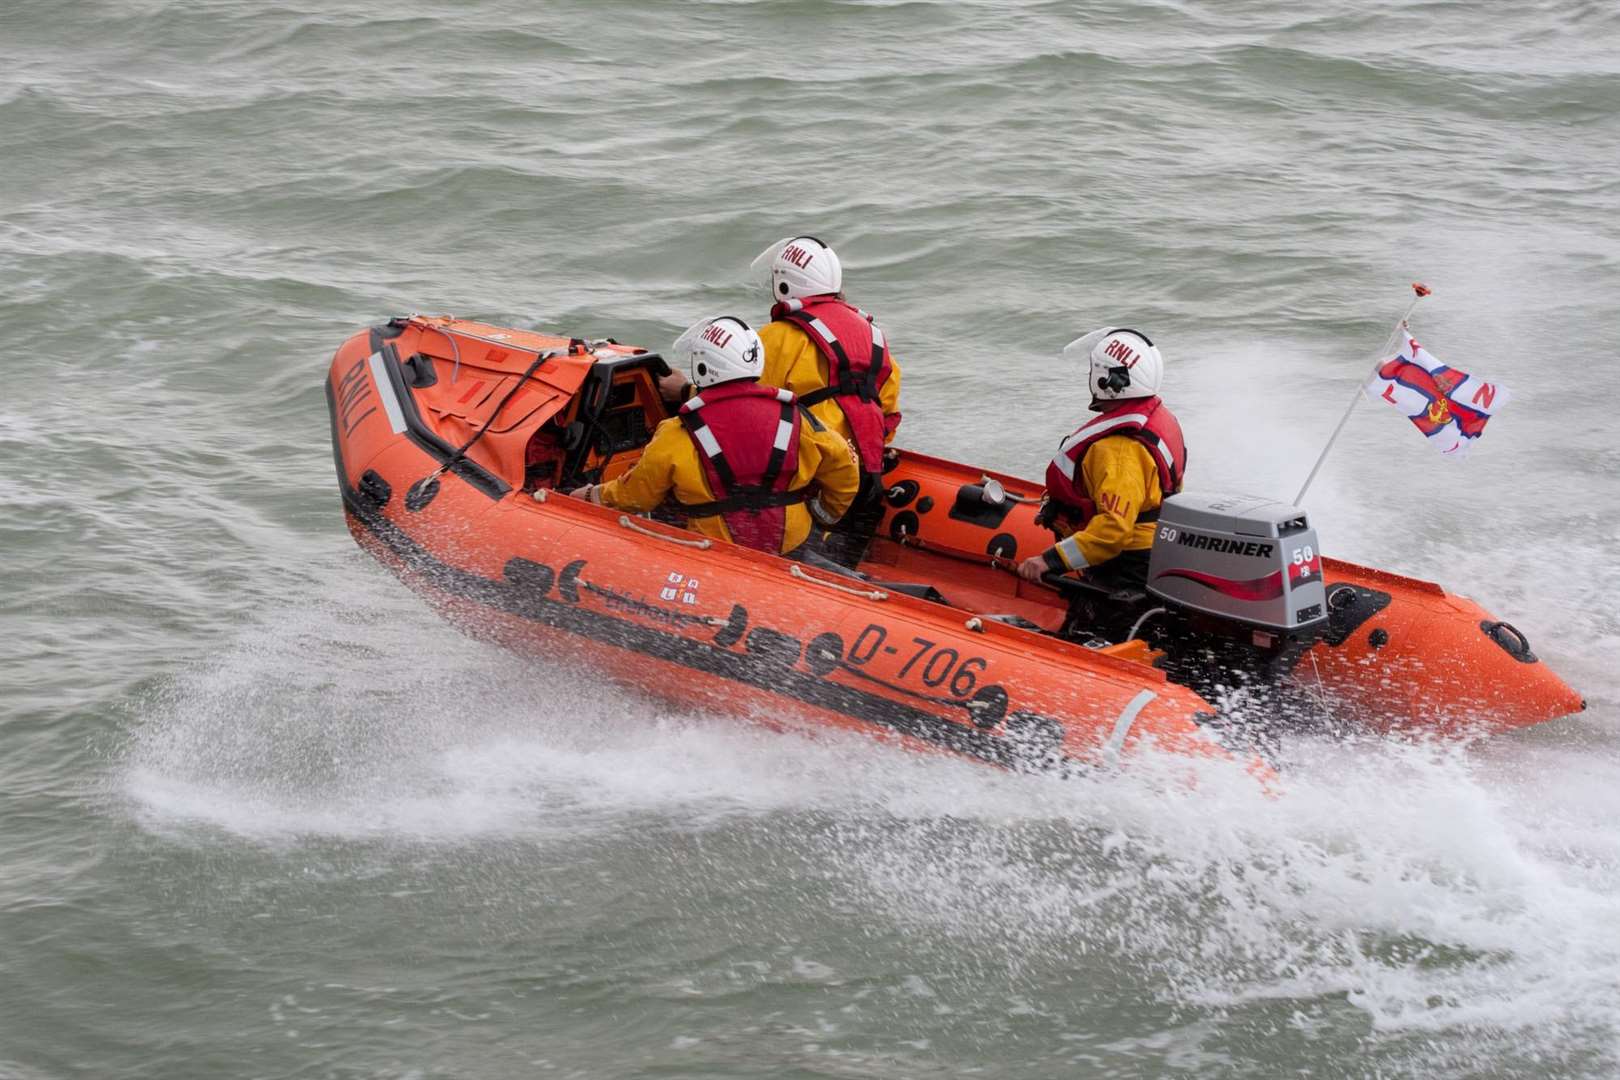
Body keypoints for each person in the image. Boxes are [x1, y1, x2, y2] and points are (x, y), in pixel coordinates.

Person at [658, 236, 901, 566]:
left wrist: (684, 391)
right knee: (842, 559)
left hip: (813, 476)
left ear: (786, 284)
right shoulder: (873, 335)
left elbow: (738, 405)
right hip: (866, 476)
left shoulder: (776, 338)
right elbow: (887, 409)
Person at [573, 315, 860, 556]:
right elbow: (845, 471)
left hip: (714, 554)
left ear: (702, 367)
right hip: (790, 547)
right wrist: (824, 515)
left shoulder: (678, 432)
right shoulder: (800, 418)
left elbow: (636, 497)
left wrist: (590, 494)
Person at [1017, 328, 1187, 593]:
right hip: (1156, 546)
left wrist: (1049, 561)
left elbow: (1113, 530)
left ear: (1108, 380)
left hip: (1128, 565)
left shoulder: (1117, 450)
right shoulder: (1155, 418)